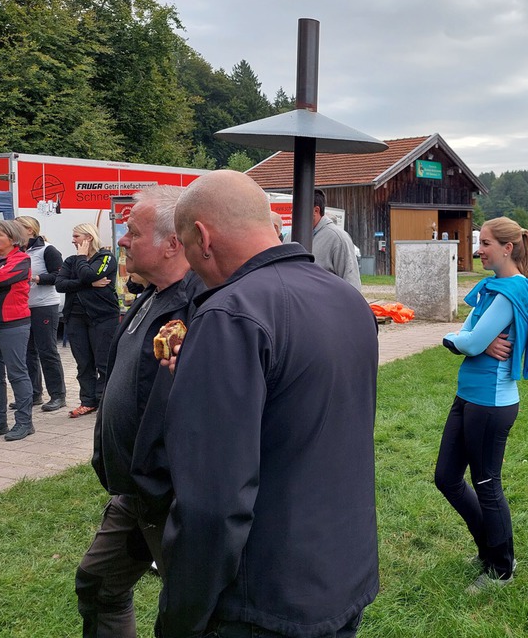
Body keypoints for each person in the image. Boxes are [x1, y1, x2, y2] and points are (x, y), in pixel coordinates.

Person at [159, 170, 379, 637]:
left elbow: (212, 502)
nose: (191, 267)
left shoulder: (230, 315)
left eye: (187, 249)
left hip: (263, 598)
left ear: (203, 237)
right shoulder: (346, 298)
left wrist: (181, 616)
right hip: (341, 570)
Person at [74, 185, 202, 638]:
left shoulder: (201, 308)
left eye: (133, 231)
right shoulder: (150, 294)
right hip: (133, 491)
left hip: (169, 496)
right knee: (98, 585)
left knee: (191, 613)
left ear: (172, 244)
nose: (123, 240)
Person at [436, 216, 528, 592]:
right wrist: (467, 340)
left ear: (507, 248)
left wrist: (462, 340)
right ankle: (489, 547)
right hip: (468, 396)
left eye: (485, 243)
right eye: (479, 242)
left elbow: (468, 341)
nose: (478, 250)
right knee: (447, 478)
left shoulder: (509, 294)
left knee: (486, 483)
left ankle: (501, 567)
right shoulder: (491, 290)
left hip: (491, 404)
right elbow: (468, 337)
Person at [56, 223, 119, 418]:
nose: (73, 240)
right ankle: (88, 401)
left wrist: (82, 260)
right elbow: (60, 285)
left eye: (76, 236)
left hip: (103, 317)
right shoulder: (70, 260)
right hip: (75, 318)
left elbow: (89, 274)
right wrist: (88, 284)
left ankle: (106, 401)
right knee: (83, 363)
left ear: (89, 237)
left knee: (104, 362)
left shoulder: (106, 257)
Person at [0, 219, 35, 441]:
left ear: (13, 238)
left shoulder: (22, 260)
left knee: (17, 373)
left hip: (13, 324)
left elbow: (0, 279)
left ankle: (24, 422)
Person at [16, 216, 67, 411]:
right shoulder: (18, 251)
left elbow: (59, 276)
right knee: (28, 352)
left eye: (17, 227)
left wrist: (36, 278)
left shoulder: (48, 249)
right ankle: (34, 394)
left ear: (30, 230)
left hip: (44, 306)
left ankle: (58, 395)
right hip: (23, 306)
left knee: (47, 351)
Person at [311, 188, 361, 290]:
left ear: (316, 211)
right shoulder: (290, 237)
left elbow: (351, 283)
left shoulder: (338, 238)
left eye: (298, 207)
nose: (292, 211)